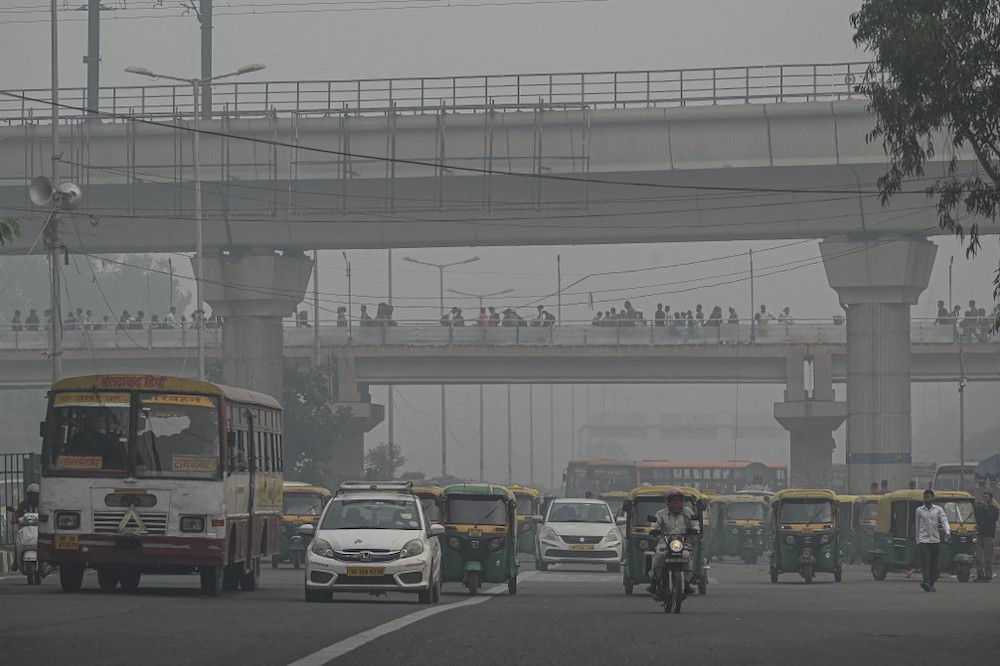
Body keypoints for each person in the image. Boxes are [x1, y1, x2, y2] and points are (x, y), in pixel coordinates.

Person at [646, 487, 697, 598]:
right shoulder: (661, 513)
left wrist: (694, 530)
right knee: (659, 556)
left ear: (682, 501)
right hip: (664, 542)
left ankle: (686, 582)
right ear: (668, 501)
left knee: (687, 556)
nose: (676, 503)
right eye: (673, 500)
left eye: (678, 500)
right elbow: (655, 524)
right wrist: (654, 530)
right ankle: (654, 582)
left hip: (682, 543)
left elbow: (695, 523)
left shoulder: (688, 513)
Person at [913, 489, 950, 592]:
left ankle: (930, 583)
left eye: (928, 497)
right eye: (925, 497)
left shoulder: (938, 509)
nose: (926, 499)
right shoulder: (919, 510)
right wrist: (917, 540)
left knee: (934, 564)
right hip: (923, 541)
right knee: (925, 562)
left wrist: (947, 532)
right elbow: (917, 525)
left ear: (932, 498)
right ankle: (926, 581)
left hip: (935, 540)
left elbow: (944, 520)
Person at [973, 491, 998, 582]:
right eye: (983, 498)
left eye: (986, 498)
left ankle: (988, 576)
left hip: (989, 536)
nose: (984, 499)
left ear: (990, 499)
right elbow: (975, 514)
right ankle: (980, 575)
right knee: (978, 556)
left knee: (988, 558)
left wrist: (986, 508)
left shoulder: (994, 509)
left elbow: (992, 519)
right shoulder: (980, 509)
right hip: (980, 534)